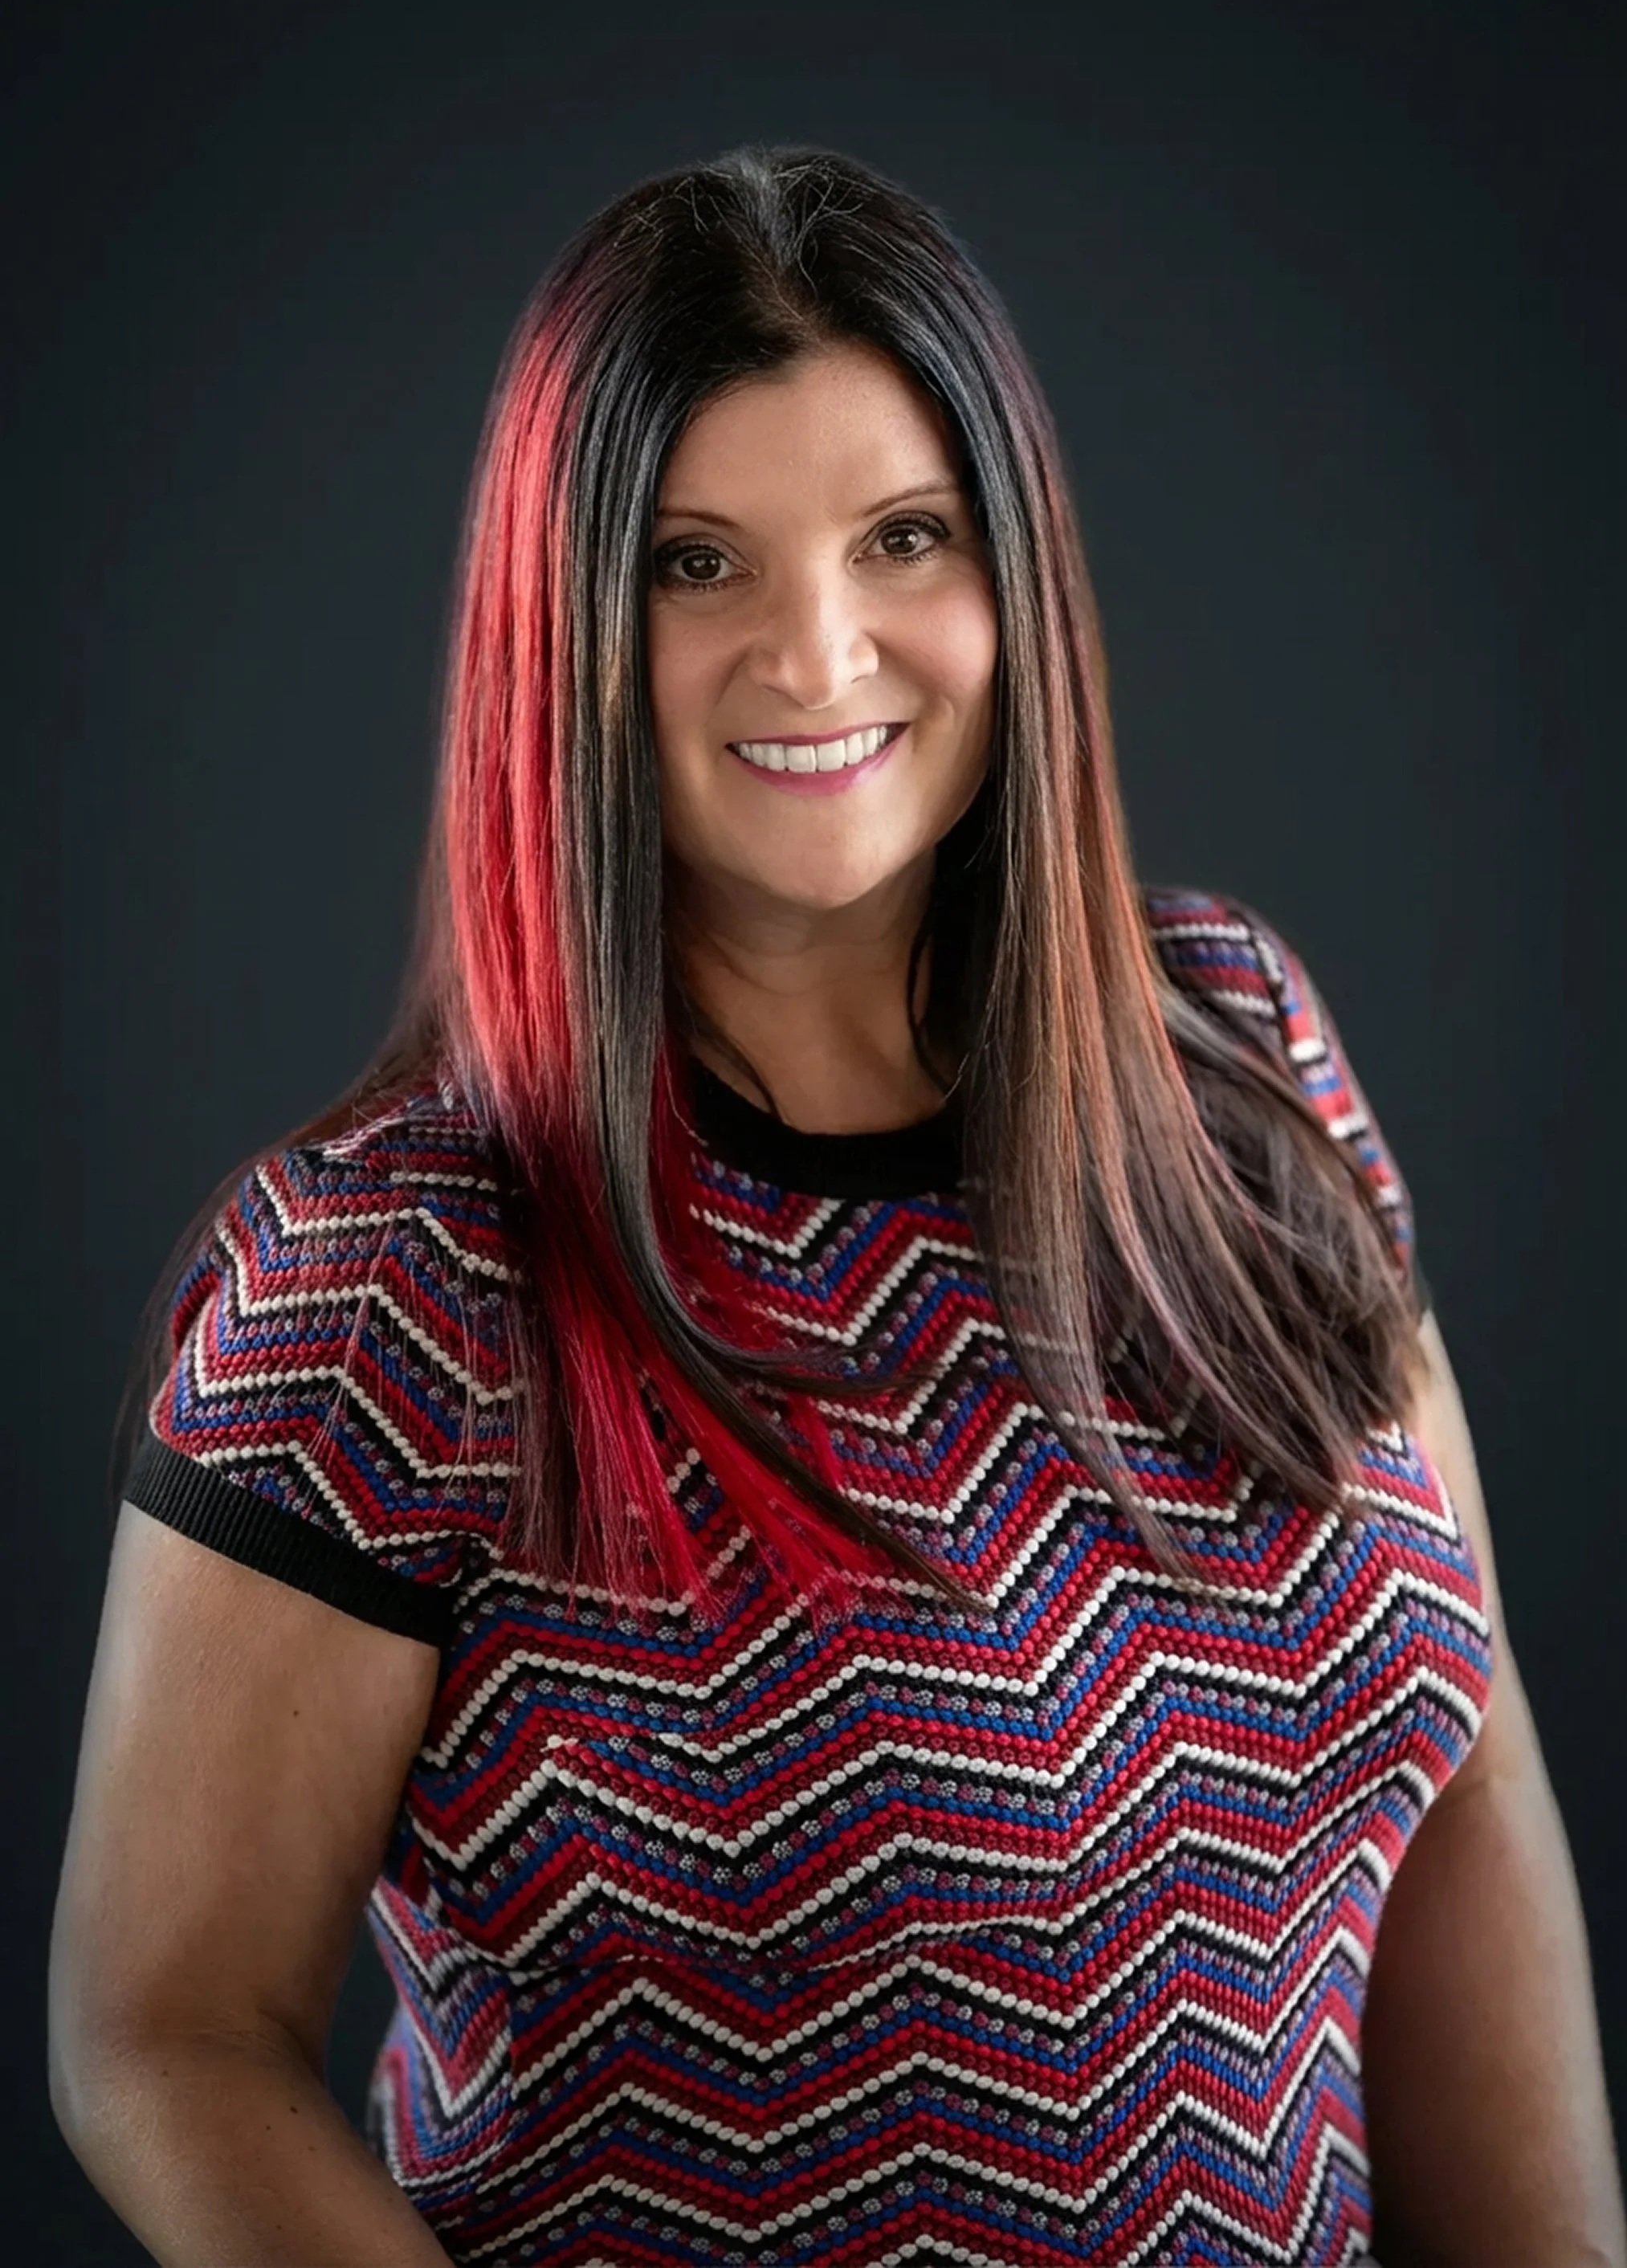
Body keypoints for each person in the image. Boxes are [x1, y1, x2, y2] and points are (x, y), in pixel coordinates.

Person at [49, 143, 1623, 2268]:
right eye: (696, 562)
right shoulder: (392, 1275)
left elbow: (1459, 1771)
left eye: (904, 536)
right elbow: (165, 2034)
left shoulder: (1240, 1056)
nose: (817, 649)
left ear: (1018, 575)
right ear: (568, 620)